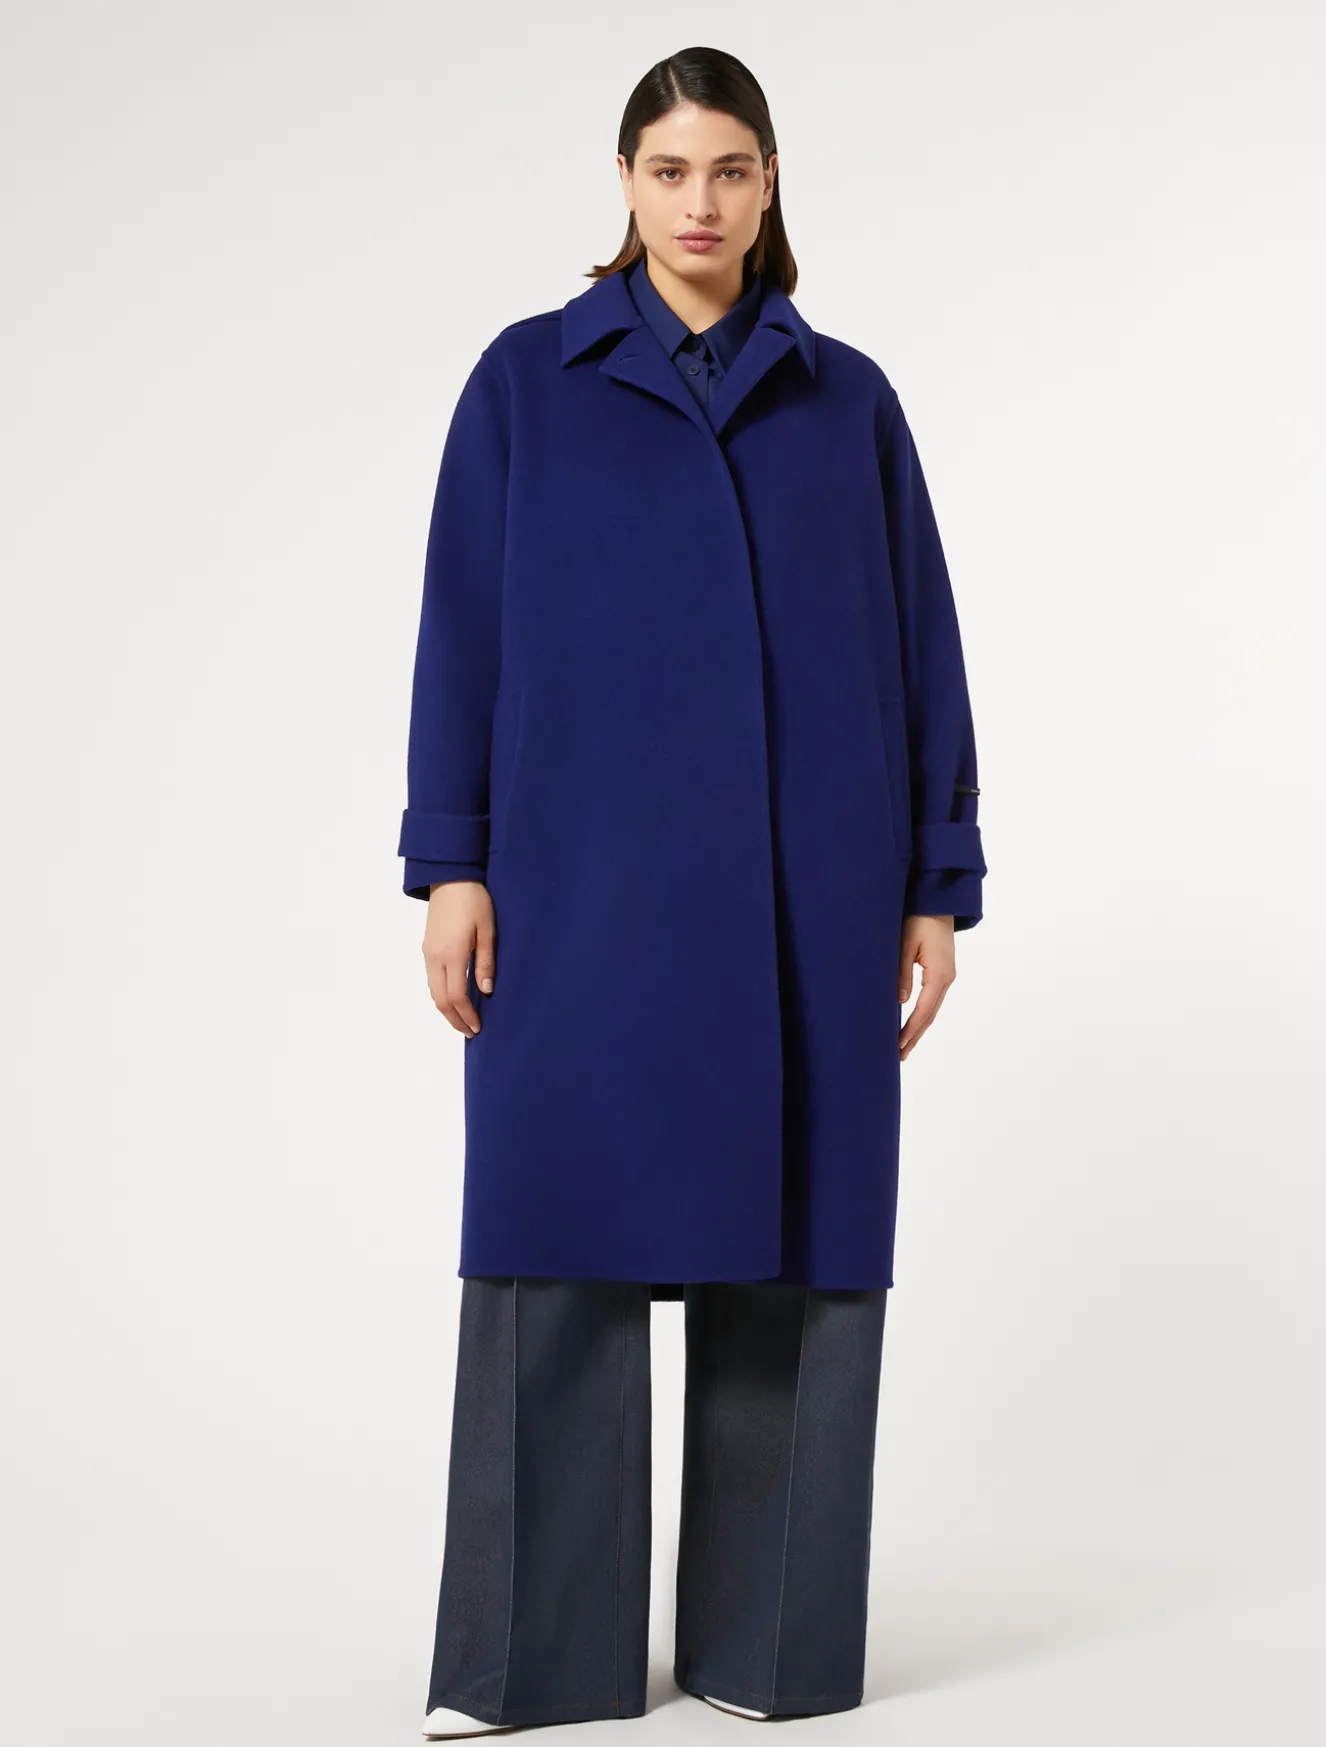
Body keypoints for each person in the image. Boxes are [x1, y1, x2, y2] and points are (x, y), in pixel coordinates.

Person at [398, 45, 985, 1740]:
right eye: (670, 170)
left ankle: (765, 1649)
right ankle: (527, 1660)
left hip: (812, 881)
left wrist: (933, 877)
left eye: (730, 169)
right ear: (625, 184)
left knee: (800, 1252)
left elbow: (921, 647)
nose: (701, 202)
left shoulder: (847, 400)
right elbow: (461, 632)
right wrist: (452, 860)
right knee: (551, 1237)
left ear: (769, 181)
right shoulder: (525, 384)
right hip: (580, 885)